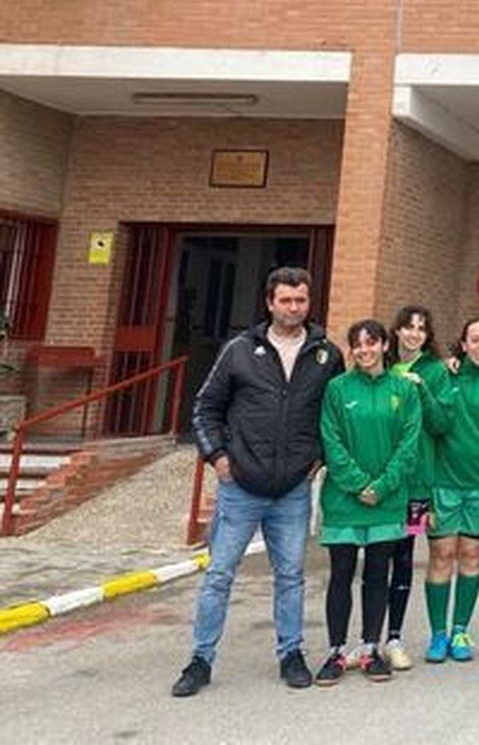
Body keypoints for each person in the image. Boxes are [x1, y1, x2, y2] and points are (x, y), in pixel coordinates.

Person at [172, 266, 344, 697]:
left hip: (293, 489)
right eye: (285, 300)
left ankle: (291, 653)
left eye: (300, 300)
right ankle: (200, 660)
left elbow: (337, 415)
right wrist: (217, 457)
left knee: (290, 575)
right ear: (269, 302)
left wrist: (319, 458)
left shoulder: (326, 354)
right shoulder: (239, 350)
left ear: (309, 302)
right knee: (219, 575)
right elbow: (205, 407)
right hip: (240, 486)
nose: (293, 307)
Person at [314, 320, 421, 686]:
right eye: (357, 345)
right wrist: (359, 484)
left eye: (371, 343)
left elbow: (410, 444)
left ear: (384, 345)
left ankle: (371, 648)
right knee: (340, 574)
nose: (364, 351)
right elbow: (331, 441)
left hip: (388, 500)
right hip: (345, 499)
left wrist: (383, 485)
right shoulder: (337, 389)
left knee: (379, 573)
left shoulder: (404, 390)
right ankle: (336, 651)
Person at [424, 317, 479, 664]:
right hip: (445, 482)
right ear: (462, 343)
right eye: (474, 339)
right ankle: (437, 634)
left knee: (471, 557)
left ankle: (461, 629)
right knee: (442, 556)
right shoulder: (447, 374)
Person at [382, 305, 452, 671]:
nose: (413, 334)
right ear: (396, 331)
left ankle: (395, 636)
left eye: (421, 329)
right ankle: (368, 639)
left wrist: (423, 389)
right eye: (407, 327)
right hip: (384, 483)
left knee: (405, 555)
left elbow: (442, 424)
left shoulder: (436, 371)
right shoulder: (379, 364)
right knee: (379, 556)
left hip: (417, 487)